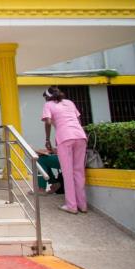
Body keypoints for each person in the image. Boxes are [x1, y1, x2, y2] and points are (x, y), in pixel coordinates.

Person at [41, 86, 88, 214]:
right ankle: (83, 205)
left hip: (65, 138)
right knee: (79, 171)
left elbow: (48, 122)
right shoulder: (69, 102)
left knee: (67, 172)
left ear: (47, 97)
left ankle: (71, 206)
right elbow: (78, 120)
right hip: (80, 136)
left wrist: (47, 139)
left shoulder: (48, 105)